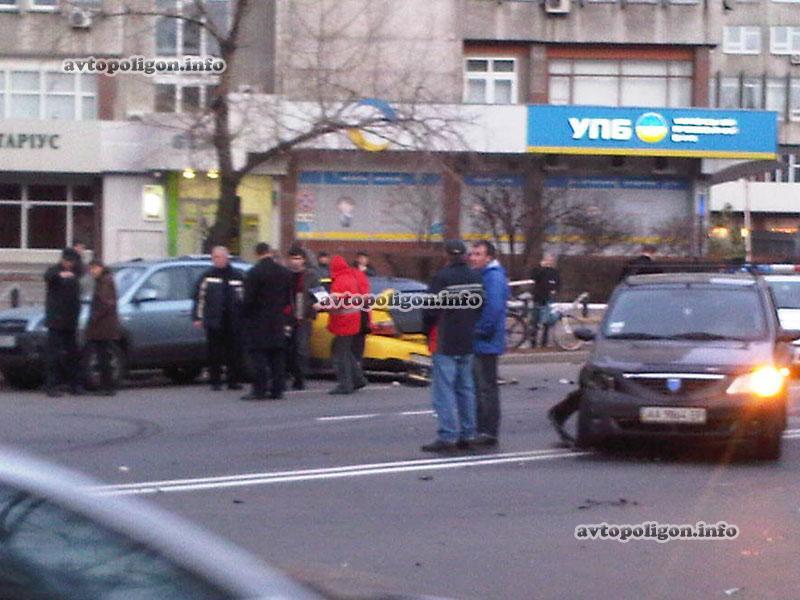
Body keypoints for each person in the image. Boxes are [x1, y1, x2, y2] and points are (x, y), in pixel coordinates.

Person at [421, 240, 483, 452]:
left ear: (446, 255)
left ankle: (448, 435)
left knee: (444, 390)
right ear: (464, 255)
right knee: (466, 389)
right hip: (467, 339)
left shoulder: (442, 277)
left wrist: (425, 331)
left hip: (446, 339)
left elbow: (429, 310)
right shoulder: (475, 276)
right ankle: (469, 433)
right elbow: (480, 305)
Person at [468, 240, 508, 447]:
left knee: (485, 388)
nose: (473, 257)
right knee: (481, 387)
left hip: (485, 342)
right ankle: (482, 429)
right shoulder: (485, 275)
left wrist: (478, 331)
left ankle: (487, 431)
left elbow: (493, 308)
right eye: (472, 253)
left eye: (478, 254)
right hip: (484, 341)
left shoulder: (493, 277)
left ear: (489, 257)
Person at [242, 243, 293, 400]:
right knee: (277, 356)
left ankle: (260, 390)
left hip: (258, 321)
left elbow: (248, 300)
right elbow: (287, 298)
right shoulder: (284, 273)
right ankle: (278, 389)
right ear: (270, 252)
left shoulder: (253, 273)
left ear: (257, 254)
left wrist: (246, 316)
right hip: (278, 319)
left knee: (259, 358)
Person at [192, 246, 246, 391]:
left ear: (226, 257)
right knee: (214, 352)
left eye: (219, 257)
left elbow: (244, 298)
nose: (216, 260)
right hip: (214, 320)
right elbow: (199, 298)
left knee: (234, 352)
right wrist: (197, 317)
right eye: (214, 257)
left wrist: (244, 317)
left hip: (234, 321)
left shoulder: (237, 276)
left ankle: (233, 381)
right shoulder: (207, 276)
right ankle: (215, 381)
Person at [43, 248, 83, 397]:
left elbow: (83, 272)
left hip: (71, 320)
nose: (69, 265)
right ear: (62, 260)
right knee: (53, 354)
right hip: (56, 320)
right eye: (67, 262)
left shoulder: (77, 272)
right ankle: (51, 385)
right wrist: (60, 274)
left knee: (73, 353)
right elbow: (47, 276)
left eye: (71, 262)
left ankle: (75, 385)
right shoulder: (54, 271)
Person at [326, 255, 364, 395]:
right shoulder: (350, 278)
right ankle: (358, 379)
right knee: (345, 351)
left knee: (339, 353)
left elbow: (336, 302)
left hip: (343, 321)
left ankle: (345, 384)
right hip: (353, 319)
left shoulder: (339, 281)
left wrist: (322, 304)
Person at [286, 245, 320, 391]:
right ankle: (288, 374)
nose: (295, 262)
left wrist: (314, 305)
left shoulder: (310, 276)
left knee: (301, 348)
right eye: (293, 259)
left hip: (304, 317)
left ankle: (299, 378)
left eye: (298, 259)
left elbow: (320, 296)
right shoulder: (285, 275)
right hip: (287, 317)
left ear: (304, 260)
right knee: (287, 348)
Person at [85, 259, 121, 396]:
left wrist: (94, 317)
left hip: (103, 325)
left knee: (103, 356)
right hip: (104, 324)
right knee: (102, 355)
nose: (92, 272)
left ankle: (107, 386)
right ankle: (107, 386)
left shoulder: (105, 281)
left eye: (93, 269)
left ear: (99, 268)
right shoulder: (103, 280)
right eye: (90, 269)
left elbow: (105, 303)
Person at [530, 254, 560, 348]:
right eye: (547, 260)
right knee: (535, 320)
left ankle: (544, 342)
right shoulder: (539, 270)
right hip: (538, 298)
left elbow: (558, 283)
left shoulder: (554, 272)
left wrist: (555, 290)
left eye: (550, 260)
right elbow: (534, 277)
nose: (549, 262)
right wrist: (541, 267)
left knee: (547, 321)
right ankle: (533, 342)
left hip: (548, 299)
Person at [350, 261, 371, 390]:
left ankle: (357, 378)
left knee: (348, 350)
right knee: (357, 351)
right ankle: (357, 375)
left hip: (352, 319)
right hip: (362, 318)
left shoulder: (352, 279)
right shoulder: (363, 280)